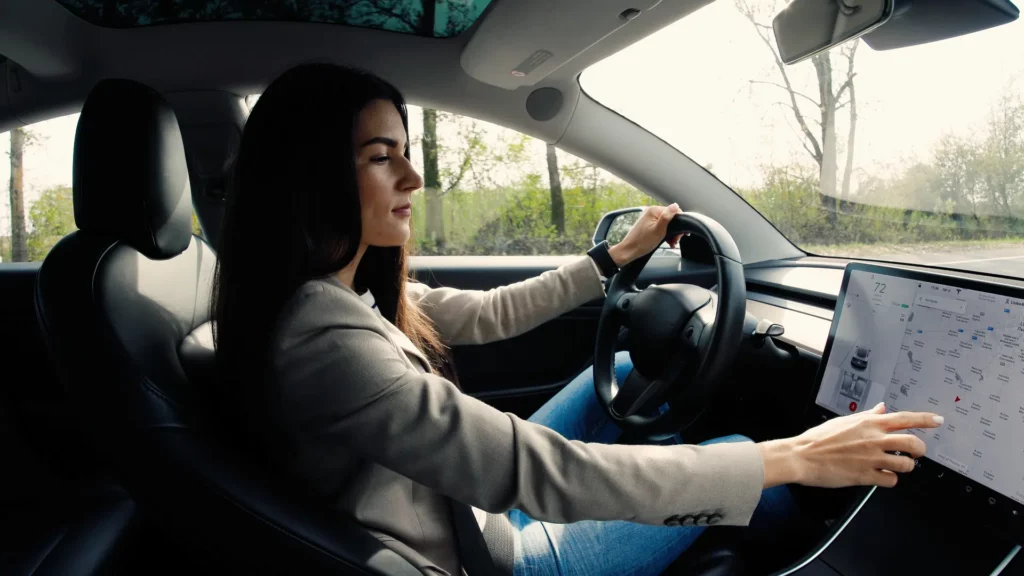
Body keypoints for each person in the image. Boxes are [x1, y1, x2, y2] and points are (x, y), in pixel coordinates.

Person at [211, 63, 943, 576]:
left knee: (624, 374)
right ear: (311, 175)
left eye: (406, 152)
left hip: (461, 505)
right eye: (382, 157)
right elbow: (544, 473)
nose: (413, 178)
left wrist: (611, 258)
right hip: (487, 554)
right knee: (752, 466)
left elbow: (491, 313)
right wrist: (795, 456)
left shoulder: (338, 296)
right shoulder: (322, 338)